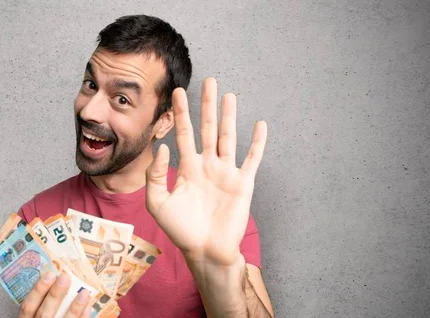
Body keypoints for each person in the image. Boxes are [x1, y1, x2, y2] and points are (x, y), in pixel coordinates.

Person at [16, 14, 274, 318]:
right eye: (90, 85)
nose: (89, 110)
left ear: (163, 122)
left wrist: (223, 271)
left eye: (121, 99)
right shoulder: (36, 220)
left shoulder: (210, 211)